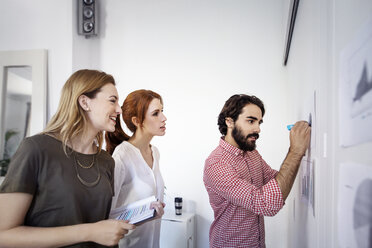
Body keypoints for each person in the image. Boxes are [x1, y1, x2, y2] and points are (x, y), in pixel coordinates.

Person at [0, 69, 136, 248]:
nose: (119, 109)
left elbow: (101, 223)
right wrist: (89, 232)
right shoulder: (36, 149)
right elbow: (4, 235)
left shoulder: (106, 161)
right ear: (84, 102)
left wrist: (136, 217)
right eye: (113, 101)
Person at [203, 94, 311, 248]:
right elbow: (266, 203)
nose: (258, 129)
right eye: (251, 121)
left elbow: (275, 179)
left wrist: (295, 151)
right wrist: (295, 151)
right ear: (229, 121)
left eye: (259, 122)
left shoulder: (252, 153)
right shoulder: (217, 165)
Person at [105, 89, 166, 248]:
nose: (164, 118)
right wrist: (144, 211)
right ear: (137, 121)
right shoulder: (122, 156)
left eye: (162, 111)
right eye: (156, 113)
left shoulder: (155, 153)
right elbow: (108, 216)